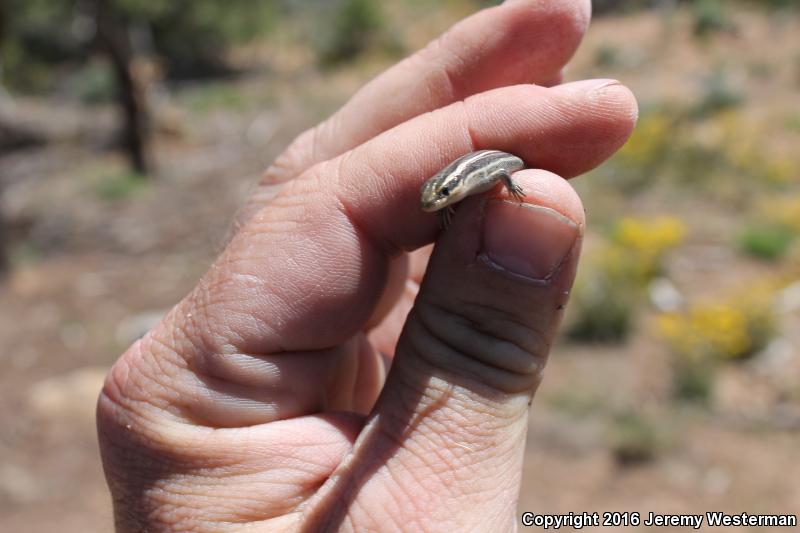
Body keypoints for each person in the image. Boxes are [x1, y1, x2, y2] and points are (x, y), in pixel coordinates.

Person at [97, 0, 638, 530]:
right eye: (439, 194)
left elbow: (499, 168)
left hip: (502, 168)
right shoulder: (446, 190)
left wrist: (503, 195)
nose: (436, 201)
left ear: (455, 185)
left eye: (443, 193)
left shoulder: (476, 174)